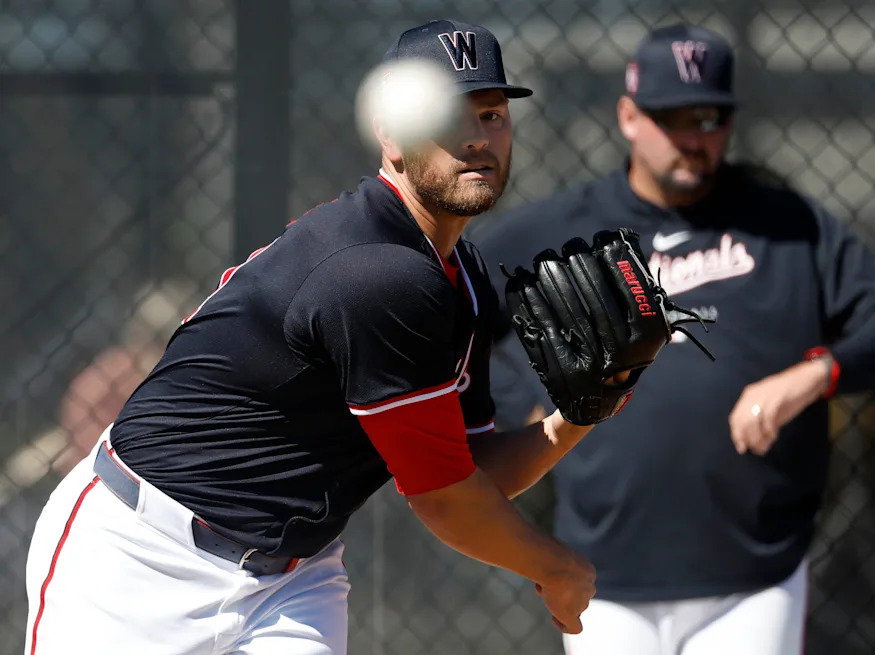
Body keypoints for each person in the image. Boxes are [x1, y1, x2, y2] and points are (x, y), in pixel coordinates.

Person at [23, 20, 610, 655]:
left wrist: (575, 417)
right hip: (139, 561)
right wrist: (557, 568)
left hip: (292, 579)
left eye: (492, 114)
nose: (476, 138)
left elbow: (470, 478)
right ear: (389, 133)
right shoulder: (379, 273)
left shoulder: (455, 275)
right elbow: (444, 503)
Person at [471, 23, 875, 655]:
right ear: (629, 116)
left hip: (753, 573)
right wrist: (515, 401)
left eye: (711, 117)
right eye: (673, 118)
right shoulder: (560, 228)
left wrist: (816, 373)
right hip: (602, 571)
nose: (695, 138)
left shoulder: (783, 225)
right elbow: (452, 320)